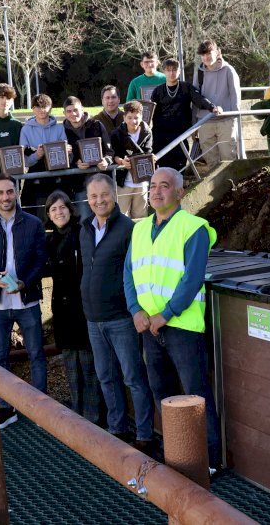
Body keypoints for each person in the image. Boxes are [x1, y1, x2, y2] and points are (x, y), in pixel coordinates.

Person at [124, 167, 221, 469]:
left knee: (195, 395)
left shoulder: (194, 228)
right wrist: (135, 310)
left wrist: (164, 315)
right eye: (152, 186)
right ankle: (176, 453)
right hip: (149, 328)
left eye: (164, 186)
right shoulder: (139, 228)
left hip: (181, 328)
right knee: (162, 393)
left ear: (179, 192)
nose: (156, 191)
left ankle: (209, 461)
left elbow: (192, 280)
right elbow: (129, 273)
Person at [79, 173, 155, 451]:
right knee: (106, 377)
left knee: (133, 378)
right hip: (93, 318)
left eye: (104, 195)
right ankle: (118, 429)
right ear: (88, 199)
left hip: (122, 317)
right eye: (94, 196)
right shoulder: (85, 227)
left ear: (115, 195)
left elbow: (135, 273)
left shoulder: (128, 229)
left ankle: (145, 435)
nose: (99, 201)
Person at [0, 173, 48, 429]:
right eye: (0, 193)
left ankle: (40, 409)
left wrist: (25, 282)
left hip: (27, 301)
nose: (5, 197)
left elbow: (41, 260)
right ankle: (6, 409)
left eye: (9, 192)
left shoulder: (34, 223)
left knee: (37, 354)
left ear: (16, 193)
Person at [44, 190, 103, 425]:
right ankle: (77, 416)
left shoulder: (83, 233)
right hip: (62, 310)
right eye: (53, 209)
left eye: (62, 207)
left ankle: (93, 418)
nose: (59, 212)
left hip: (82, 308)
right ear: (48, 213)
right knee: (71, 364)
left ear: (70, 209)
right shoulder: (50, 240)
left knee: (89, 365)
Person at [151, 59, 219, 171]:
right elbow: (151, 111)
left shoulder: (186, 87)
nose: (171, 73)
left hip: (180, 133)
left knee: (179, 165)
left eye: (174, 70)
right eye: (168, 70)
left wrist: (212, 107)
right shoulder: (158, 91)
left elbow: (199, 99)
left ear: (179, 71)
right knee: (162, 167)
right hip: (160, 134)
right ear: (164, 71)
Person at [19, 93, 70, 220]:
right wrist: (37, 155)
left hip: (57, 177)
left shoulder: (59, 128)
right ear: (33, 109)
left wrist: (66, 151)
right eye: (38, 107)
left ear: (50, 107)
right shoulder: (25, 130)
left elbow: (66, 155)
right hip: (36, 179)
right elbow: (24, 161)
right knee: (36, 217)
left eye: (45, 106)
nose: (42, 110)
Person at [63, 96, 113, 222]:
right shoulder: (62, 131)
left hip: (100, 180)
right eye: (69, 111)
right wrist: (75, 164)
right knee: (85, 221)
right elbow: (63, 159)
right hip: (80, 184)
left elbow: (109, 151)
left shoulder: (96, 125)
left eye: (75, 110)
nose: (73, 114)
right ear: (64, 113)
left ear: (82, 109)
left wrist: (106, 161)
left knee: (107, 218)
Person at [192, 40, 241, 165]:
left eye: (208, 53)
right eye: (203, 55)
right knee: (211, 161)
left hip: (225, 121)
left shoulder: (228, 70)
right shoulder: (199, 72)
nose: (206, 57)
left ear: (217, 52)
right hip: (205, 121)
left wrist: (234, 119)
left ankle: (231, 184)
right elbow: (196, 98)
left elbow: (235, 96)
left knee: (228, 158)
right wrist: (194, 125)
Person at [111, 100, 153, 219]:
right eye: (129, 117)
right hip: (123, 181)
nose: (133, 121)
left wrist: (151, 158)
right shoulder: (116, 134)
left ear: (141, 117)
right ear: (124, 117)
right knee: (122, 216)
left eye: (136, 117)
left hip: (141, 181)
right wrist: (121, 161)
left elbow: (148, 151)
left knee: (141, 216)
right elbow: (113, 155)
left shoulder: (147, 132)